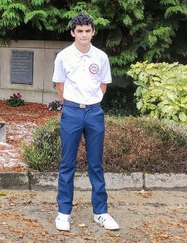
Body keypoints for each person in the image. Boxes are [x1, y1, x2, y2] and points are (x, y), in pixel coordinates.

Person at [52, 13, 119, 231]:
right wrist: (73, 103)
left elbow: (103, 85)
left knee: (96, 164)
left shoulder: (101, 57)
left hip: (94, 113)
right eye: (79, 31)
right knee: (67, 163)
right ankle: (63, 212)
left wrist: (90, 102)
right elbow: (59, 85)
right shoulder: (63, 56)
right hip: (71, 112)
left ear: (93, 32)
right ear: (73, 32)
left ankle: (101, 212)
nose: (83, 35)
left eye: (87, 31)